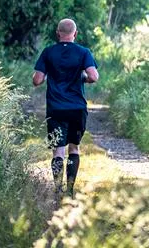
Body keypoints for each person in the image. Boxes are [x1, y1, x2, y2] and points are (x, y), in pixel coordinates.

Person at [33, 18, 99, 197]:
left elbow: (37, 80)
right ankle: (69, 190)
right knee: (74, 148)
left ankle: (57, 189)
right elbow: (93, 76)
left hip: (55, 108)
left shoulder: (48, 52)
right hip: (77, 108)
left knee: (58, 150)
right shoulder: (83, 52)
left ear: (58, 33)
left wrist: (47, 75)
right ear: (75, 34)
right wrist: (83, 78)